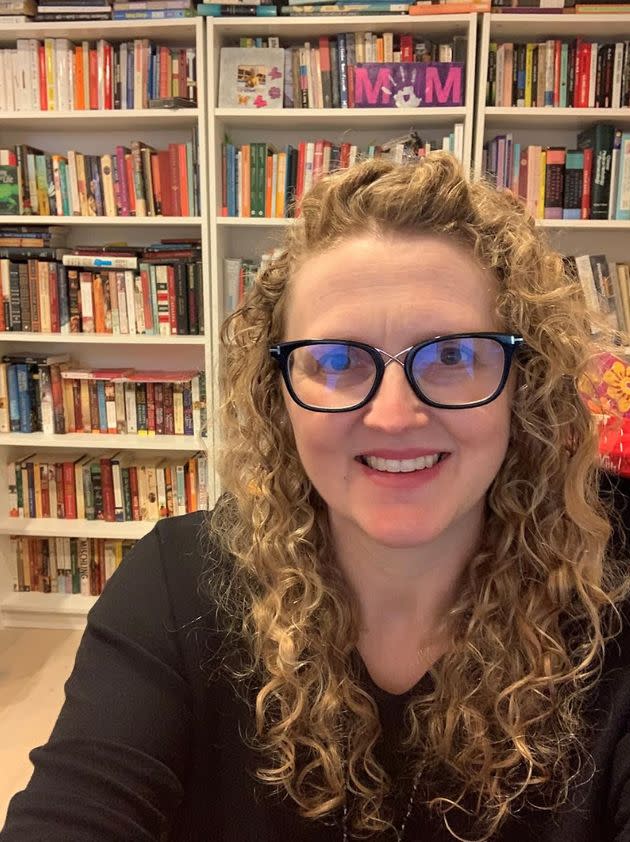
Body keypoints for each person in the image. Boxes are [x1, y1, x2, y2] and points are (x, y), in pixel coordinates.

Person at [2, 152, 630, 842]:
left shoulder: (614, 602)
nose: (394, 417)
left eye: (452, 356)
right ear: (280, 398)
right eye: (336, 360)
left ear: (522, 383)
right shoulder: (176, 589)